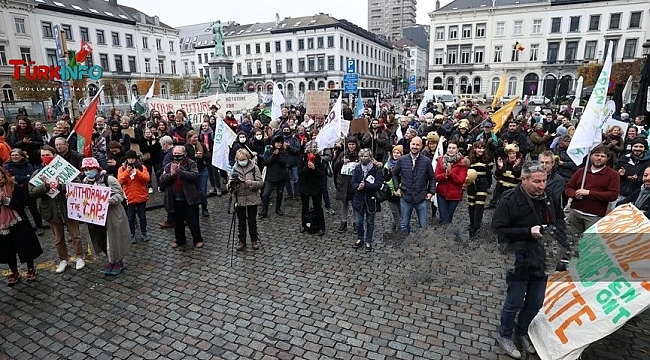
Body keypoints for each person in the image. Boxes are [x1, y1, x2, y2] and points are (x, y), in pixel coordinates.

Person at [492, 161, 569, 358]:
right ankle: (505, 334)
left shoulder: (550, 196)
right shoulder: (509, 199)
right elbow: (498, 230)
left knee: (536, 302)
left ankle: (522, 330)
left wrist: (560, 242)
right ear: (523, 180)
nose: (542, 185)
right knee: (515, 301)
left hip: (543, 257)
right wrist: (528, 232)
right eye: (536, 181)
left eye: (544, 180)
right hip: (517, 257)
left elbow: (560, 219)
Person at [29, 145, 85, 273]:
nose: (45, 157)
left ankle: (79, 256)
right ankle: (63, 259)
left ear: (54, 155)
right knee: (58, 239)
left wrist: (62, 187)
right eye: (42, 155)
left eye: (47, 155)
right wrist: (45, 187)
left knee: (75, 235)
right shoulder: (37, 174)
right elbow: (31, 192)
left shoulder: (66, 168)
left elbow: (77, 183)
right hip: (51, 210)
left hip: (68, 208)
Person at [81, 157, 131, 276]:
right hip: (96, 216)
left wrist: (110, 200)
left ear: (97, 168)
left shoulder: (110, 179)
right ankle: (110, 259)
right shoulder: (85, 181)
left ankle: (117, 261)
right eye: (85, 169)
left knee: (114, 239)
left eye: (90, 168)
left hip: (111, 214)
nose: (88, 171)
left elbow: (120, 195)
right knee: (101, 238)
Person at [0, 166, 42, 285]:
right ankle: (14, 271)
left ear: (3, 174)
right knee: (7, 249)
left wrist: (7, 201)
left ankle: (30, 269)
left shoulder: (13, 186)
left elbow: (23, 202)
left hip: (18, 221)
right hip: (2, 226)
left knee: (25, 246)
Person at [565, 145, 620, 235]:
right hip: (575, 213)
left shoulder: (613, 175)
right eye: (597, 155)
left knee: (590, 245)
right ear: (591, 156)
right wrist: (574, 194)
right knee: (573, 240)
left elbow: (613, 195)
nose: (599, 158)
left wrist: (589, 193)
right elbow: (568, 187)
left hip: (594, 217)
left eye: (602, 156)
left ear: (607, 159)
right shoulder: (581, 171)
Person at [160, 146, 204, 249]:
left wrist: (180, 172)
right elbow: (162, 180)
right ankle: (180, 240)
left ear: (184, 155)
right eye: (175, 154)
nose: (177, 156)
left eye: (179, 154)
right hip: (175, 198)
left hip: (189, 198)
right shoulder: (169, 165)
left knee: (193, 221)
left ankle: (198, 239)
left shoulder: (191, 163)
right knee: (178, 222)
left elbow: (194, 176)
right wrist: (171, 175)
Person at [392, 136, 436, 233]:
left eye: (417, 145)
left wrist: (431, 192)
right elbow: (394, 174)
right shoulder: (402, 160)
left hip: (421, 197)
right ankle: (404, 243)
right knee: (404, 224)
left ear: (421, 146)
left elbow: (432, 178)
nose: (415, 147)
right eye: (413, 144)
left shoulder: (426, 161)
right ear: (410, 145)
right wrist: (397, 188)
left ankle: (421, 244)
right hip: (406, 196)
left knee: (423, 225)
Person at [229, 149, 263, 250]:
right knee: (241, 221)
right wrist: (232, 185)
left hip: (252, 198)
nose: (242, 162)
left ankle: (254, 240)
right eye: (240, 160)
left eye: (244, 159)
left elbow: (261, 183)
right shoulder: (234, 169)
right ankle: (241, 241)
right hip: (240, 199)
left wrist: (252, 183)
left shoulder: (254, 167)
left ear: (248, 158)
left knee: (252, 220)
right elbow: (229, 185)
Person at [351, 149, 383, 252]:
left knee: (370, 222)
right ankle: (360, 238)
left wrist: (366, 186)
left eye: (366, 156)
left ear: (370, 157)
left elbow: (378, 184)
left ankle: (368, 240)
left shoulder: (376, 169)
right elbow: (353, 183)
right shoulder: (357, 168)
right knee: (359, 222)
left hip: (371, 200)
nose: (364, 158)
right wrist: (358, 186)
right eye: (362, 156)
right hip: (359, 199)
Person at [118, 150, 150, 243]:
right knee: (130, 218)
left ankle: (144, 232)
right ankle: (131, 234)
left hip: (141, 196)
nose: (131, 160)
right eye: (129, 158)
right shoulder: (122, 169)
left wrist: (137, 172)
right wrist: (127, 171)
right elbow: (120, 180)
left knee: (142, 217)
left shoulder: (142, 167)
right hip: (129, 197)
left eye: (132, 158)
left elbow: (146, 179)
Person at [434, 140, 468, 225]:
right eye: (449, 148)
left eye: (453, 148)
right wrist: (445, 175)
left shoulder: (463, 162)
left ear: (457, 149)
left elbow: (461, 180)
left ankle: (446, 235)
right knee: (443, 217)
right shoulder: (441, 160)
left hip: (454, 195)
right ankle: (441, 235)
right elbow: (436, 177)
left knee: (449, 218)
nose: (451, 150)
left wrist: (451, 173)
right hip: (441, 193)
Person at [298, 140, 326, 236]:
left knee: (318, 207)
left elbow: (322, 173)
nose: (312, 154)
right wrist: (307, 168)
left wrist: (314, 169)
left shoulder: (319, 159)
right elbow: (300, 172)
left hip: (316, 187)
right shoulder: (302, 158)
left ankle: (321, 227)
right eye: (310, 151)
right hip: (304, 186)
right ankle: (304, 224)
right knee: (304, 207)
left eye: (314, 151)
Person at [333, 137, 360, 232]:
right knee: (344, 204)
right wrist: (341, 162)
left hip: (354, 182)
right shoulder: (343, 154)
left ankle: (355, 223)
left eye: (353, 144)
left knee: (355, 205)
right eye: (349, 144)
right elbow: (335, 167)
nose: (351, 146)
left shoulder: (359, 155)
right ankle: (343, 222)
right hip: (344, 183)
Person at [467, 141, 493, 238]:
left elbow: (489, 173)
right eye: (479, 148)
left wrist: (488, 185)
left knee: (480, 205)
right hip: (471, 184)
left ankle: (476, 226)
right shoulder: (470, 159)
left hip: (482, 183)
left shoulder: (487, 159)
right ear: (474, 148)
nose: (481, 150)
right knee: (472, 204)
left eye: (482, 148)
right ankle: (472, 222)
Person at [185, 130, 211, 217]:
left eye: (197, 137)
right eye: (194, 137)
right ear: (189, 138)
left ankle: (204, 208)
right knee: (194, 191)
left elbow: (208, 156)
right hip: (191, 171)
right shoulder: (186, 147)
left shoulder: (202, 146)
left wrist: (202, 156)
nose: (196, 139)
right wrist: (194, 157)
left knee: (202, 190)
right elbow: (185, 159)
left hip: (202, 170)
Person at [260, 135, 288, 218]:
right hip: (271, 177)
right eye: (277, 143)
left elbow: (284, 162)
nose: (279, 144)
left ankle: (278, 209)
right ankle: (264, 210)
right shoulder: (269, 151)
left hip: (281, 177)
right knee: (266, 194)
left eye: (280, 143)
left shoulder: (284, 152)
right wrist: (273, 156)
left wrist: (278, 155)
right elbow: (266, 162)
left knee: (280, 193)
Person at [383, 145, 403, 233]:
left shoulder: (404, 163)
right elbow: (385, 177)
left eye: (398, 153)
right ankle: (399, 228)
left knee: (400, 210)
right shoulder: (388, 164)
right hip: (390, 191)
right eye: (394, 152)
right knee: (395, 211)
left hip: (400, 190)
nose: (395, 154)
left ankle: (396, 224)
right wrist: (391, 173)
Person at [139, 127, 161, 194]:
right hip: (147, 159)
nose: (148, 134)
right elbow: (143, 149)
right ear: (144, 134)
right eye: (146, 133)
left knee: (158, 172)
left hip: (156, 159)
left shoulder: (155, 140)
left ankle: (159, 185)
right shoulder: (142, 140)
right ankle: (149, 186)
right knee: (148, 173)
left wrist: (154, 144)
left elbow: (158, 149)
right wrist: (149, 146)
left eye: (149, 132)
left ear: (151, 133)